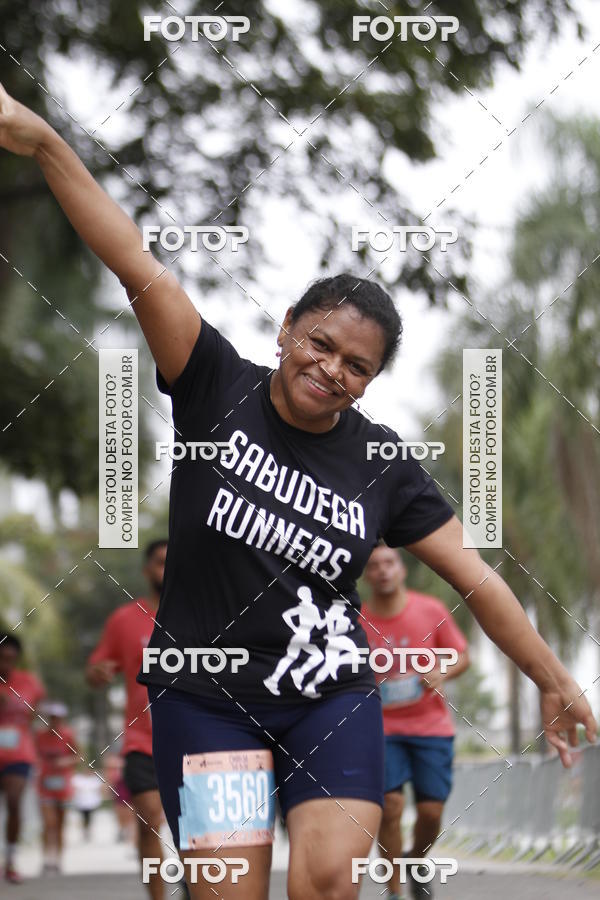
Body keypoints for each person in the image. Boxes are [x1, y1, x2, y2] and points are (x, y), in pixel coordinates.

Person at [0, 86, 596, 900]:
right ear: (286, 329)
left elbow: (477, 577)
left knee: (325, 884)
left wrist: (554, 678)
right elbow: (134, 261)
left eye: (358, 366)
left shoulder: (383, 463)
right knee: (228, 894)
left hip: (328, 697)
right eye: (320, 344)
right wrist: (42, 142)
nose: (332, 370)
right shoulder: (214, 384)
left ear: (370, 380)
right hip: (207, 699)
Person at [362, 544, 470, 900]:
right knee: (390, 807)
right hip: (381, 729)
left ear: (402, 569)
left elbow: (461, 655)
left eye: (389, 563)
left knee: (431, 810)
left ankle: (416, 860)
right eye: (374, 565)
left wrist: (442, 672)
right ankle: (394, 892)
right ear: (366, 575)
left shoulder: (431, 610)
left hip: (431, 727)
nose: (383, 570)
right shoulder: (357, 621)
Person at [86, 539, 168, 900]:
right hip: (143, 743)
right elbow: (95, 668)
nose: (168, 569)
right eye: (161, 562)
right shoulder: (124, 619)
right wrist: (98, 673)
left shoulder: (204, 614)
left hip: (199, 739)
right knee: (150, 822)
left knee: (197, 831)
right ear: (147, 570)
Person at [0, 633, 45, 884]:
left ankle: (11, 860)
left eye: (11, 659)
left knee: (14, 801)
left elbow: (33, 713)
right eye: (1, 658)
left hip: (18, 753)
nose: (6, 664)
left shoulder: (29, 682)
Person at [35, 701, 80, 874]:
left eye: (57, 718)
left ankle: (58, 860)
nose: (54, 721)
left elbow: (77, 756)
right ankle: (46, 859)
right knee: (48, 823)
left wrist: (65, 761)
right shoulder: (39, 735)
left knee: (60, 824)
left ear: (62, 719)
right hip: (45, 785)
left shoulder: (68, 735)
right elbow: (34, 754)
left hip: (63, 786)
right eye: (51, 718)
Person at [71, 764, 103, 838]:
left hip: (92, 802)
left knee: (89, 817)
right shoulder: (78, 778)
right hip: (81, 802)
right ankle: (85, 829)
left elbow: (100, 789)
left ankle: (87, 829)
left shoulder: (95, 779)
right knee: (84, 816)